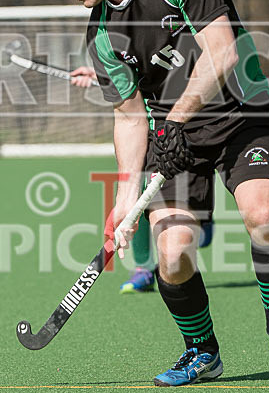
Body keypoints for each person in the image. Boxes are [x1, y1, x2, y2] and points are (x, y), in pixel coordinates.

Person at [43, 0, 269, 385]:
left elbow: (222, 52)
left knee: (261, 213)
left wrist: (174, 118)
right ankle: (202, 351)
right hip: (173, 141)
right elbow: (129, 116)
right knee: (172, 255)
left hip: (241, 116)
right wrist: (125, 196)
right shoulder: (102, 35)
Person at [70, 65, 214, 294]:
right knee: (138, 188)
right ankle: (143, 267)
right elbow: (131, 65)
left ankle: (202, 217)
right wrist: (100, 74)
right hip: (143, 121)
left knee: (196, 219)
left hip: (187, 117)